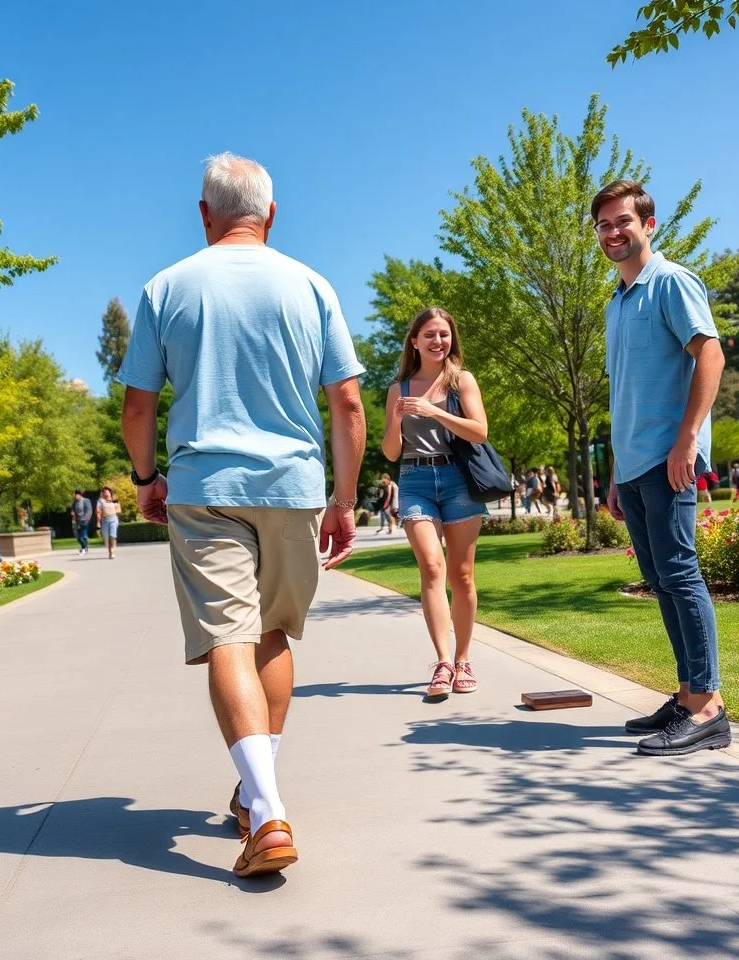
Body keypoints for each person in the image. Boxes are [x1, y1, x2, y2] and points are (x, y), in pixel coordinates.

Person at [119, 152, 365, 877]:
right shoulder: (310, 285)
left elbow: (139, 405)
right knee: (273, 636)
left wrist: (145, 478)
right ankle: (258, 800)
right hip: (293, 487)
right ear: (271, 214)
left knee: (227, 638)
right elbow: (347, 402)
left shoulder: (167, 287)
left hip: (204, 486)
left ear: (204, 213)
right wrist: (343, 499)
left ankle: (265, 807)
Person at [594, 178, 730, 756]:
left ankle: (707, 707)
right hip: (634, 464)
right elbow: (625, 392)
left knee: (680, 574)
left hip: (669, 458)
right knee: (661, 582)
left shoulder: (671, 283)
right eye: (603, 225)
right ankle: (686, 695)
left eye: (622, 221)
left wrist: (686, 440)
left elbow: (712, 353)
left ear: (648, 225)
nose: (613, 232)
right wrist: (613, 475)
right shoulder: (616, 303)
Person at [381, 306, 489, 700]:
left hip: (458, 479)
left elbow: (479, 432)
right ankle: (442, 662)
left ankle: (463, 660)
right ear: (415, 341)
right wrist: (396, 418)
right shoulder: (400, 388)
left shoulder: (462, 381)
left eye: (444, 334)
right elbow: (391, 452)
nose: (438, 341)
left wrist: (433, 412)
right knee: (431, 566)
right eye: (429, 334)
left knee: (461, 576)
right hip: (416, 479)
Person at [95, 486, 120, 559]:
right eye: (104, 492)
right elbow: (98, 512)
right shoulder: (100, 501)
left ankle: (112, 551)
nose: (105, 493)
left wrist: (115, 507)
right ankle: (110, 551)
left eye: (107, 491)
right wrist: (98, 522)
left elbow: (118, 510)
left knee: (112, 535)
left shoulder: (114, 499)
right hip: (105, 520)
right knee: (106, 537)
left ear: (110, 492)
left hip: (113, 519)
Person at [70, 489, 93, 554]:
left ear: (79, 495)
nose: (74, 496)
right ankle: (84, 546)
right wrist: (73, 516)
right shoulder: (74, 502)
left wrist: (86, 519)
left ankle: (84, 548)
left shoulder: (86, 501)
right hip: (77, 522)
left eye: (75, 494)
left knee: (83, 535)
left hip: (85, 521)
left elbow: (89, 511)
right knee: (78, 536)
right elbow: (72, 511)